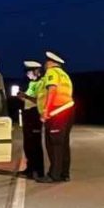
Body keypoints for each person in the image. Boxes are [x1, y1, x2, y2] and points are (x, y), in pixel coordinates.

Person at [37, 51, 74, 183]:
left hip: (57, 112)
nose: (44, 65)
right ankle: (64, 173)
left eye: (46, 62)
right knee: (63, 144)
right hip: (67, 110)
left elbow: (52, 90)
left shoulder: (52, 73)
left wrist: (46, 110)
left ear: (51, 62)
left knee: (54, 144)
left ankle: (54, 175)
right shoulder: (65, 75)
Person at [16, 60, 45, 179]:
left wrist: (26, 96)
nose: (27, 74)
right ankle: (30, 168)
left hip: (35, 115)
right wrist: (22, 98)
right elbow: (29, 100)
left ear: (36, 71)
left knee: (35, 144)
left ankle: (39, 171)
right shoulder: (31, 84)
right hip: (27, 113)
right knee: (28, 144)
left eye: (29, 71)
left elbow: (39, 100)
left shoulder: (41, 83)